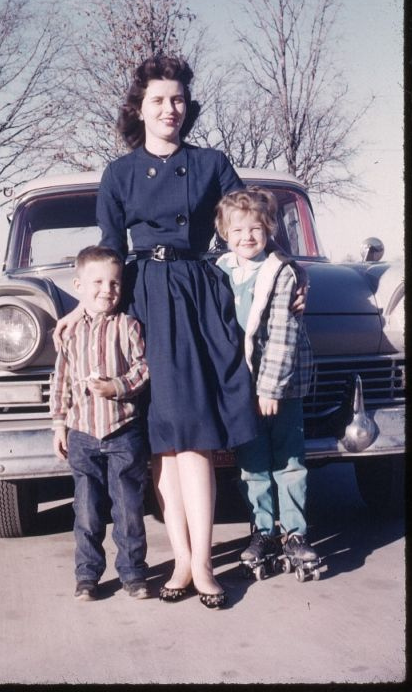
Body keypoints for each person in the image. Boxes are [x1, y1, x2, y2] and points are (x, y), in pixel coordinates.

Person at [55, 55, 305, 609]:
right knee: (160, 442)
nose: (171, 109)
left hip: (195, 295)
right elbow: (109, 249)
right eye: (159, 100)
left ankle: (199, 565)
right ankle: (183, 558)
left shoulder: (211, 162)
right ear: (138, 109)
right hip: (142, 296)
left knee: (191, 436)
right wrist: (83, 306)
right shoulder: (119, 174)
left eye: (178, 100)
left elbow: (255, 222)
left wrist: (289, 272)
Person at [214, 187, 320, 569]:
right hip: (242, 386)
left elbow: (282, 334)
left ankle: (295, 532)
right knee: (253, 462)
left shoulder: (282, 272)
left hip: (281, 386)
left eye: (256, 228)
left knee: (289, 458)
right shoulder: (221, 270)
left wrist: (271, 388)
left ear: (269, 228)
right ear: (225, 233)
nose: (247, 237)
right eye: (238, 230)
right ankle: (262, 531)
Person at [51, 245, 151, 602]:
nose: (107, 289)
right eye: (97, 282)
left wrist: (118, 386)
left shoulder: (128, 326)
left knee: (128, 508)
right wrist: (59, 425)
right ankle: (87, 576)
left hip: (123, 430)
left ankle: (134, 573)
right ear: (78, 285)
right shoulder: (70, 333)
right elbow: (60, 380)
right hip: (82, 434)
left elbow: (144, 368)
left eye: (114, 282)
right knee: (87, 511)